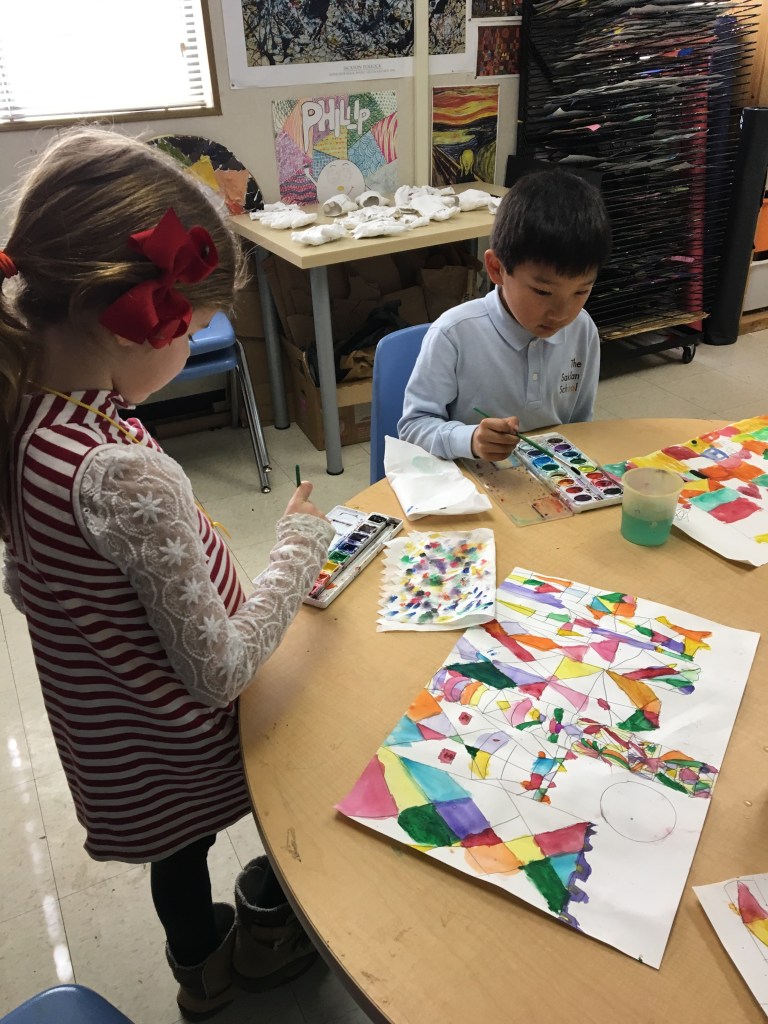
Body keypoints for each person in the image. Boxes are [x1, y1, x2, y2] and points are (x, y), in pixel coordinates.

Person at [0, 128, 335, 1021]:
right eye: (193, 326)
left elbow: (26, 582)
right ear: (133, 319)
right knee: (295, 780)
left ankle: (202, 973)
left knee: (175, 856)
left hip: (114, 734)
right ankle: (271, 938)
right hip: (181, 738)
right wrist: (297, 549)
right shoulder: (116, 471)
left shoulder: (30, 410)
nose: (196, 346)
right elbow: (220, 671)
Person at [398, 168, 612, 462]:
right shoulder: (454, 334)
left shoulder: (582, 330)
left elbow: (580, 425)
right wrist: (470, 439)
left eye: (581, 291)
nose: (562, 314)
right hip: (470, 479)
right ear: (497, 269)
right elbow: (413, 427)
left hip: (551, 476)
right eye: (543, 292)